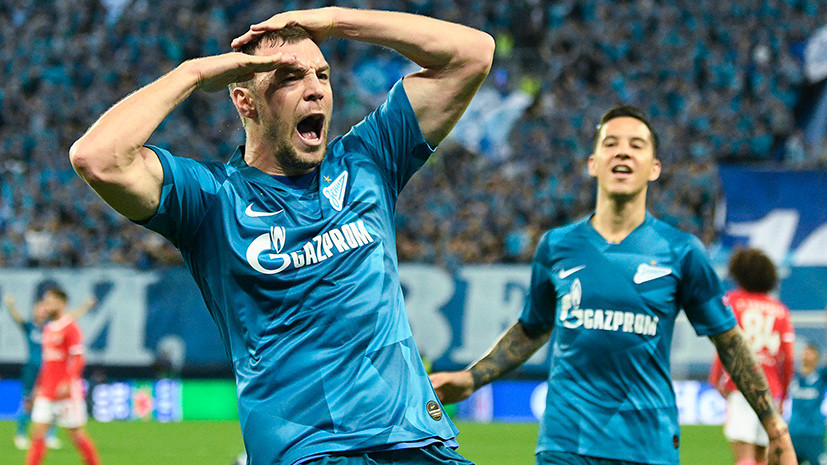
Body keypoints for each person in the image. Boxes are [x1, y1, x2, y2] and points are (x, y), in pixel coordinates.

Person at [69, 7, 493, 465]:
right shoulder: (212, 199)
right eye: (290, 78)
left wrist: (336, 21)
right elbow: (98, 158)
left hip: (416, 441)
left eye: (322, 75)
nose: (315, 89)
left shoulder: (368, 160)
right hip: (308, 451)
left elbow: (473, 54)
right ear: (245, 102)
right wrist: (193, 74)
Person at [429, 106, 797, 465]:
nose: (623, 151)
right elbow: (532, 328)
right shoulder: (556, 246)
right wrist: (472, 378)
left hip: (647, 446)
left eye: (636, 145)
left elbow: (729, 341)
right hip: (565, 443)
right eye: (611, 143)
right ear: (593, 163)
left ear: (654, 168)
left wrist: (775, 427)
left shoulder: (682, 251)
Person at [710, 247, 795, 465]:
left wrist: (716, 377)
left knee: (744, 455)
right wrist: (784, 394)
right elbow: (788, 359)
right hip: (771, 391)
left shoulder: (733, 301)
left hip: (742, 386)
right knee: (761, 456)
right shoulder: (780, 310)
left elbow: (726, 344)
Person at [5, 293, 95, 450]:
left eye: (44, 307)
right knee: (28, 403)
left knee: (52, 406)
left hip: (50, 373)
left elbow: (70, 317)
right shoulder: (30, 327)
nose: (42, 311)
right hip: (33, 371)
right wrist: (11, 306)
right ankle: (20, 434)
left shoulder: (52, 326)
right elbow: (17, 319)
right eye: (39, 308)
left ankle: (50, 436)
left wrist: (85, 307)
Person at [25, 286, 100, 465]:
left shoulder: (71, 328)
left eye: (50, 302)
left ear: (62, 304)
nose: (46, 305)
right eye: (45, 301)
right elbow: (47, 364)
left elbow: (79, 359)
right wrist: (37, 387)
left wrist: (68, 381)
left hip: (66, 393)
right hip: (46, 392)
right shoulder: (48, 328)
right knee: (38, 433)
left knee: (76, 435)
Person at [788, 343, 827, 465]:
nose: (807, 354)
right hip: (793, 432)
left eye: (811, 352)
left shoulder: (821, 376)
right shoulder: (794, 377)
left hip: (813, 433)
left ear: (817, 358)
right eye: (805, 351)